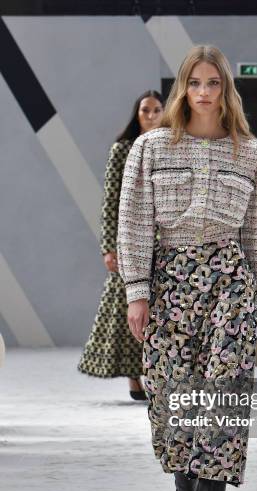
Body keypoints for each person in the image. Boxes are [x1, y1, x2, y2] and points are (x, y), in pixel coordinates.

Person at [117, 45, 257, 491]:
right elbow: (134, 221)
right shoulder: (149, 150)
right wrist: (136, 291)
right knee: (172, 401)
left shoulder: (254, 156)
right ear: (183, 90)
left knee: (221, 398)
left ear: (226, 90)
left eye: (214, 83)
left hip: (228, 284)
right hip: (169, 283)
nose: (205, 92)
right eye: (195, 83)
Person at [78, 91, 164, 400]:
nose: (151, 115)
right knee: (127, 310)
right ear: (137, 114)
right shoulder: (122, 150)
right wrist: (108, 247)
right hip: (129, 244)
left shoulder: (171, 148)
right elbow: (110, 202)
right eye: (145, 110)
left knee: (161, 312)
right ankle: (133, 377)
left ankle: (156, 373)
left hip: (163, 245)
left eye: (156, 110)